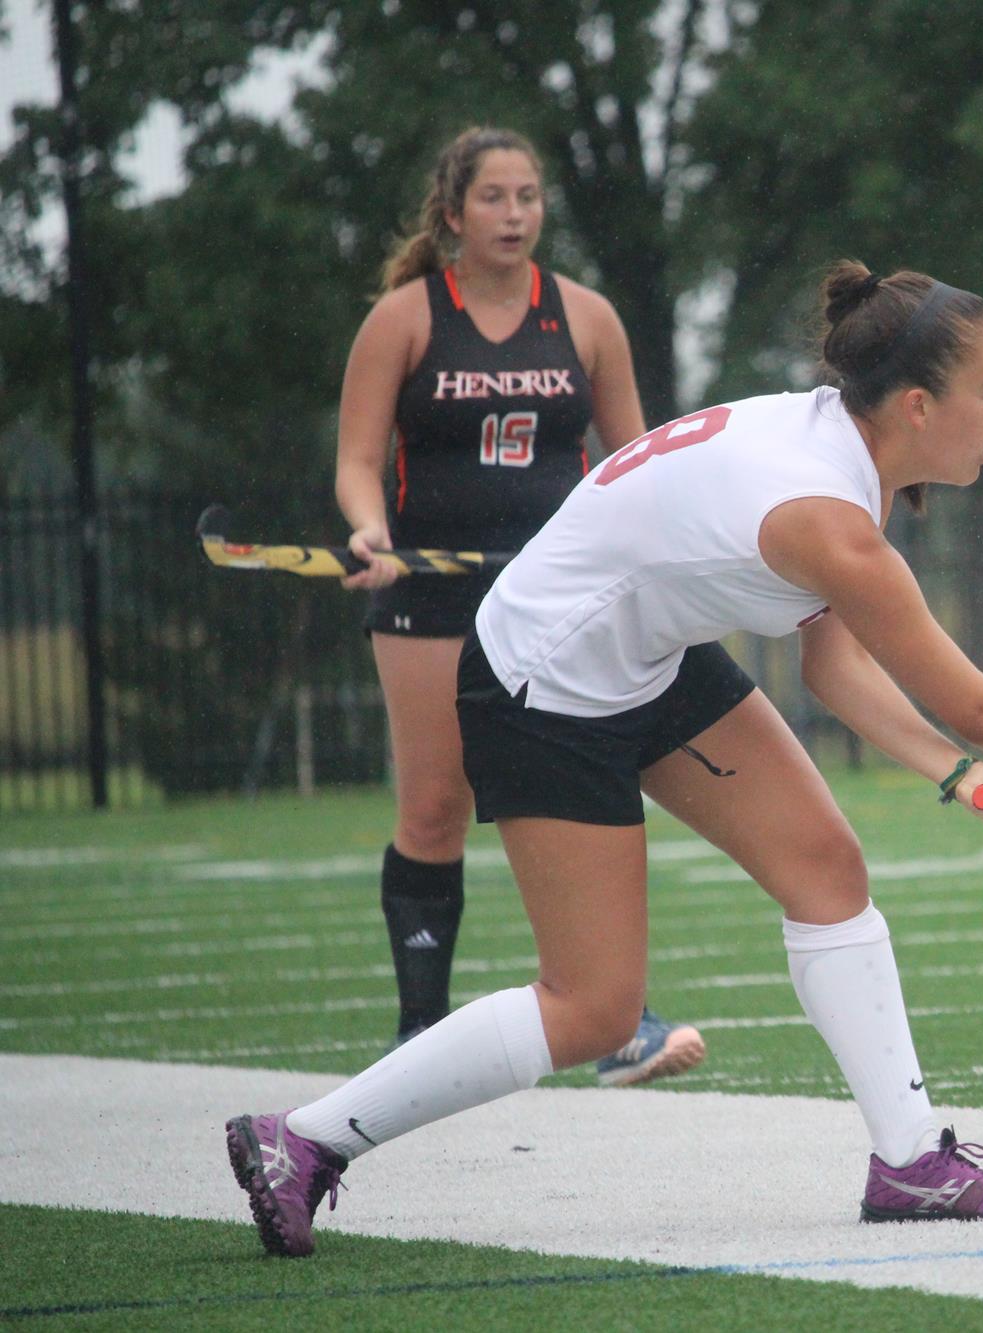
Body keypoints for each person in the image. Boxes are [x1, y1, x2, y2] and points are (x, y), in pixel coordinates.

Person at [226, 260, 983, 1256]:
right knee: (593, 1007)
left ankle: (910, 1160)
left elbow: (834, 667)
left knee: (826, 869)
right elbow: (969, 698)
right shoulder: (826, 515)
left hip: (642, 658)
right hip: (541, 683)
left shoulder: (840, 458)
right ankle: (299, 1141)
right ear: (915, 405)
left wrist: (949, 773)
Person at [334, 125, 702, 1085]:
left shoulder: (585, 318)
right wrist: (369, 532)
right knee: (435, 808)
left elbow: (640, 461)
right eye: (494, 198)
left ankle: (615, 1017)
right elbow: (359, 460)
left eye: (529, 197)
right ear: (453, 214)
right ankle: (419, 1030)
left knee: (581, 789)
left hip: (561, 604)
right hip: (430, 597)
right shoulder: (405, 319)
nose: (514, 214)